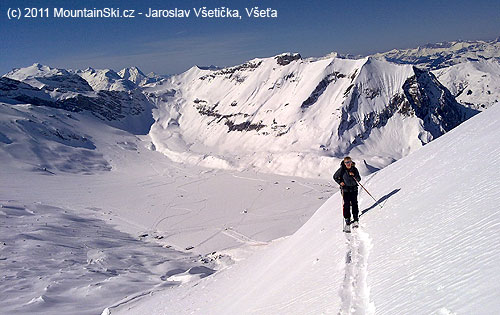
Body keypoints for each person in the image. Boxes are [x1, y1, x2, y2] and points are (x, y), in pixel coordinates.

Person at [333, 156, 361, 228]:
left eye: (349, 162)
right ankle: (347, 218)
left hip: (354, 189)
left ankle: (355, 217)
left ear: (351, 162)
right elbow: (335, 177)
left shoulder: (354, 169)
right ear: (344, 163)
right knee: (346, 204)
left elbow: (359, 179)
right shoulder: (341, 170)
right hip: (345, 189)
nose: (348, 164)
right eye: (346, 162)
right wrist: (340, 182)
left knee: (354, 203)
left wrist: (354, 175)